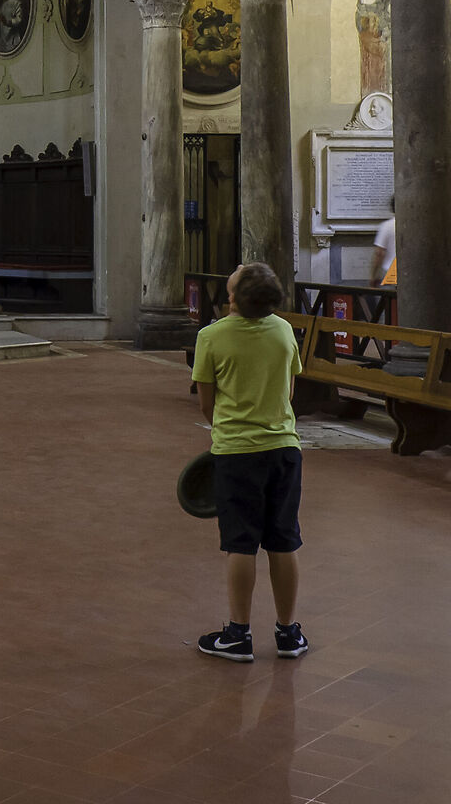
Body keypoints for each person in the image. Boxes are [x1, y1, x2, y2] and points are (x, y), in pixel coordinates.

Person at [191, 260, 307, 663]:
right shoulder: (284, 331)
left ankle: (239, 635)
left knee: (240, 544)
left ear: (234, 299)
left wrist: (233, 425)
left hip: (237, 453)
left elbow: (207, 405)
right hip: (284, 449)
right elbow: (288, 392)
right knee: (284, 539)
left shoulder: (211, 337)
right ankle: (288, 633)